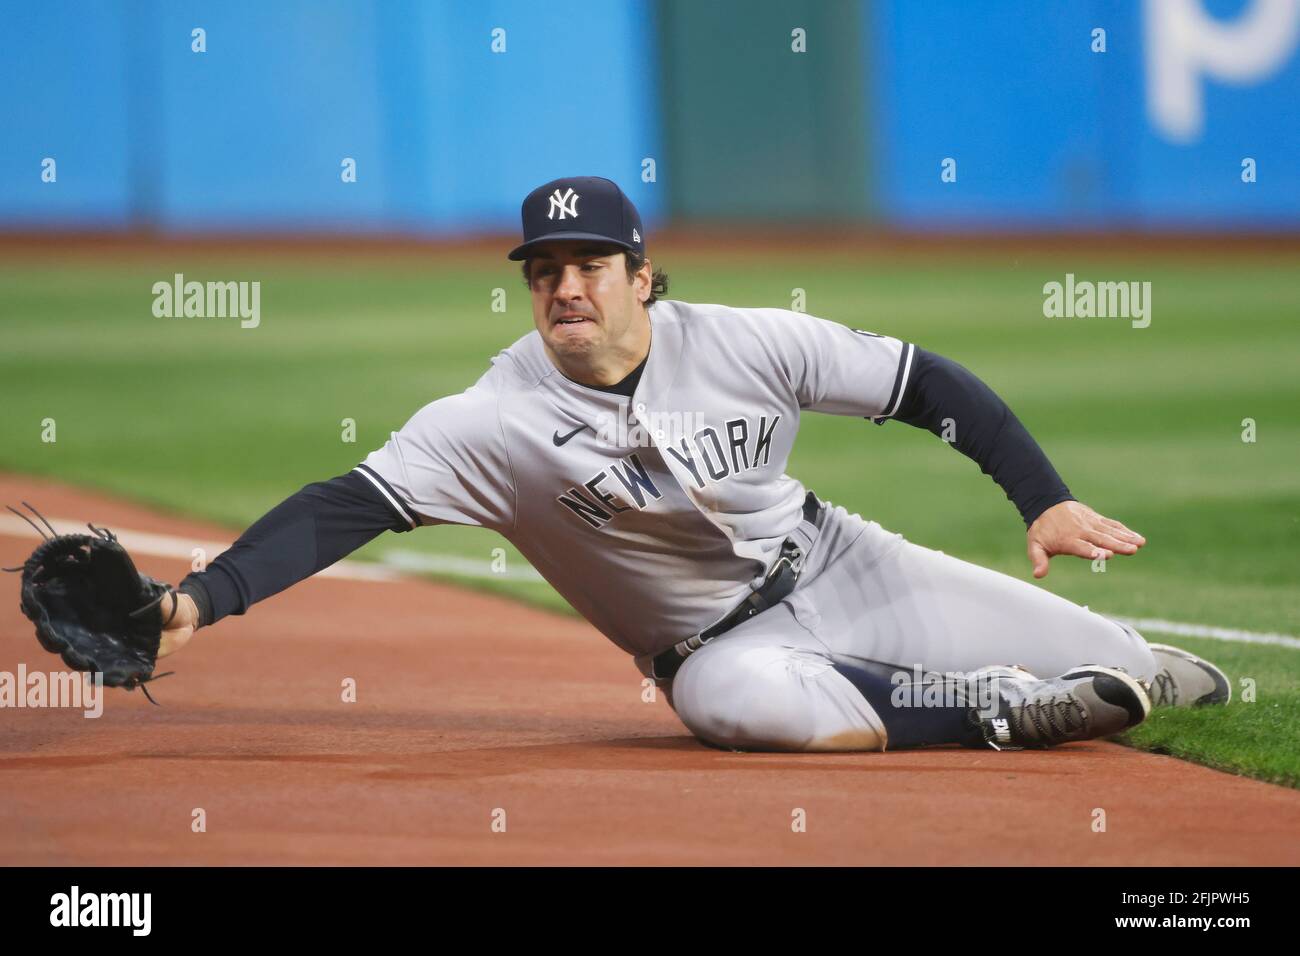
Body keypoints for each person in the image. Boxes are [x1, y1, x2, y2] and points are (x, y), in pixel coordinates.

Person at [157, 176, 1229, 752]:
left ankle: (1069, 669)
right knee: (739, 712)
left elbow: (926, 386)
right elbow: (347, 506)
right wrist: (202, 598)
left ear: (642, 275)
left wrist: (1042, 499)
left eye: (587, 265)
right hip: (713, 649)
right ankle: (988, 706)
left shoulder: (750, 341)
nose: (564, 286)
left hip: (842, 562)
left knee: (1149, 672)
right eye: (543, 271)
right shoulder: (493, 417)